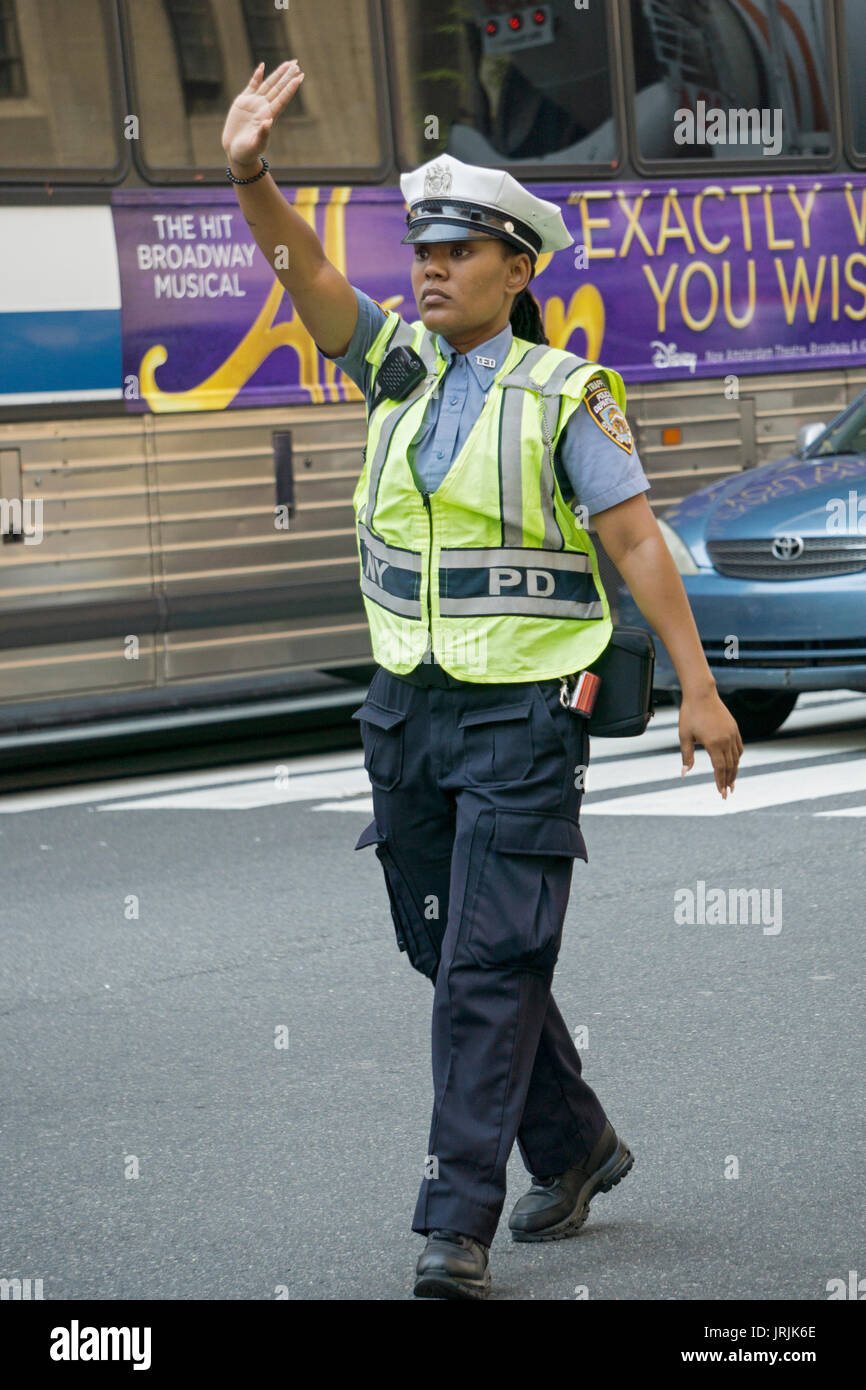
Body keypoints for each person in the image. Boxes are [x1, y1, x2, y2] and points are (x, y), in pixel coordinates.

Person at [222, 59, 743, 1301]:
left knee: (486, 969)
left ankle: (454, 1225)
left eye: (459, 252)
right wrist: (250, 176)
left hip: (524, 717)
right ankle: (575, 1141)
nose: (432, 268)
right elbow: (306, 274)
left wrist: (699, 685)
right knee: (446, 949)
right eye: (424, 250)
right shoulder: (392, 367)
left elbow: (635, 542)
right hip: (405, 713)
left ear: (517, 271)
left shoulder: (564, 394)